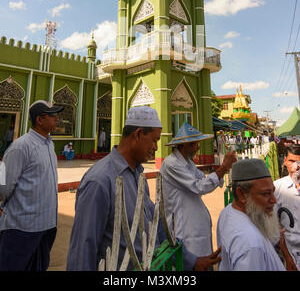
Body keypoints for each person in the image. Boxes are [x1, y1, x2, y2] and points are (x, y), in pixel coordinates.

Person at [67, 107, 198, 271]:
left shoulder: (137, 175)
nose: (156, 148)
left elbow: (155, 226)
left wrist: (192, 262)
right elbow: (82, 249)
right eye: (154, 140)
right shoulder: (100, 180)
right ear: (138, 134)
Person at [160, 122, 237, 271]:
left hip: (195, 229)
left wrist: (222, 169)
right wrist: (224, 167)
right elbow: (199, 186)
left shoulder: (188, 163)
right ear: (181, 146)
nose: (197, 148)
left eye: (197, 144)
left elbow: (204, 179)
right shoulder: (171, 164)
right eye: (193, 144)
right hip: (184, 230)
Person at [0, 100, 64, 271]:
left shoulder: (49, 144)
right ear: (39, 120)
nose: (57, 119)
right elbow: (3, 186)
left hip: (47, 226)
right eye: (53, 116)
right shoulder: (20, 147)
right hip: (22, 227)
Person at [217, 158, 286, 271]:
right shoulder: (251, 245)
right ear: (242, 194)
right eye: (265, 194)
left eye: (273, 192)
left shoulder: (228, 211)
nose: (274, 200)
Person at [274, 144, 300, 270]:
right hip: (285, 253)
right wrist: (288, 258)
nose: (296, 166)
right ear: (285, 161)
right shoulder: (276, 188)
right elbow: (274, 225)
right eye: (292, 161)